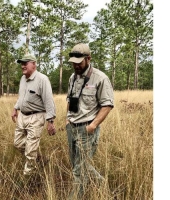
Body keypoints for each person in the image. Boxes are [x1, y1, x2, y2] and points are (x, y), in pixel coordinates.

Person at [65, 43, 114, 199]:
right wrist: (67, 119)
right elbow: (70, 99)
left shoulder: (100, 78)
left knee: (79, 169)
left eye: (79, 62)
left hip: (87, 129)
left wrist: (92, 126)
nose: (75, 65)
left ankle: (75, 197)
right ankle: (101, 184)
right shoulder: (73, 77)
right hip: (71, 127)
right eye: (73, 62)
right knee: (77, 165)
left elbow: (107, 105)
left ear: (88, 59)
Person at [11, 53, 56, 176]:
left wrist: (50, 122)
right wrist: (15, 108)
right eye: (21, 63)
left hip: (36, 117)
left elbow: (49, 101)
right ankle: (39, 159)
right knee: (17, 143)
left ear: (34, 64)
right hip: (22, 116)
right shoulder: (22, 79)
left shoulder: (42, 79)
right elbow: (22, 97)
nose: (22, 66)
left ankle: (29, 178)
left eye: (25, 63)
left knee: (30, 151)